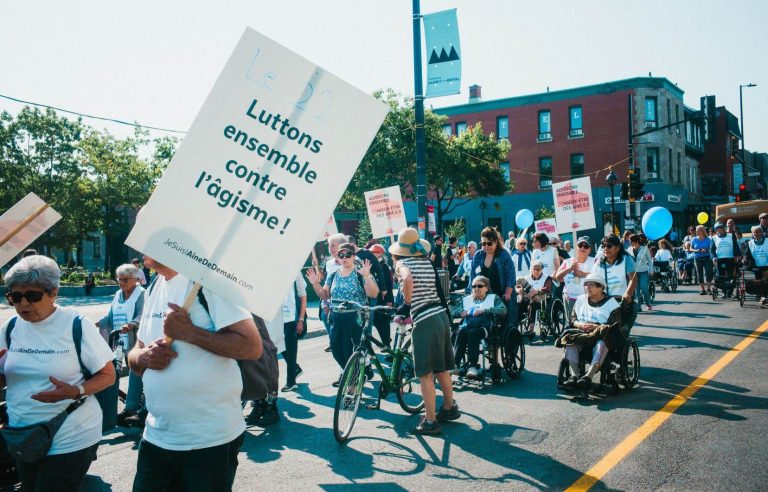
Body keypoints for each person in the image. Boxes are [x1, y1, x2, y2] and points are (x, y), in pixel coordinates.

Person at [127, 255, 262, 491]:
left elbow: (252, 346)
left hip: (208, 441)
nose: (136, 240)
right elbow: (136, 352)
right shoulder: (153, 287)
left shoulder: (209, 282)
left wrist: (190, 333)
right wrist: (143, 357)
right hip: (157, 436)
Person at [1, 255, 116, 491]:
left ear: (53, 292)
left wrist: (75, 391)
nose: (23, 304)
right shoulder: (10, 328)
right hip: (23, 433)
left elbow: (108, 375)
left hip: (71, 433)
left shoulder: (75, 325)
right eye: (15, 296)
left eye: (32, 296)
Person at [389, 227, 459, 435]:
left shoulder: (403, 263)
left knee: (425, 373)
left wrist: (408, 300)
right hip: (440, 315)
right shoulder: (427, 262)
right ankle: (449, 407)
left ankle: (430, 421)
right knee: (442, 368)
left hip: (425, 319)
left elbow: (408, 279)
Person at [306, 243, 379, 386]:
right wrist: (315, 284)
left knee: (350, 351)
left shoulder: (360, 273)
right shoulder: (333, 275)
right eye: (341, 255)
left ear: (353, 256)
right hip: (336, 318)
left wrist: (367, 276)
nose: (344, 258)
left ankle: (352, 384)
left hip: (355, 318)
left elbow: (373, 293)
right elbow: (325, 295)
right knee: (336, 350)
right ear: (338, 258)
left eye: (348, 255)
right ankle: (357, 374)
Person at [96, 263, 146, 427]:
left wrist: (131, 324)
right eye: (119, 279)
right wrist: (100, 322)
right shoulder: (118, 294)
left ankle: (132, 408)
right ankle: (134, 406)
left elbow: (143, 315)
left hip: (136, 338)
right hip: (119, 339)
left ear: (135, 280)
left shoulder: (141, 294)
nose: (121, 283)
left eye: (125, 279)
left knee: (135, 372)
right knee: (132, 372)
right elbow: (111, 314)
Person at [558, 273, 622, 390]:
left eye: (591, 285)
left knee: (601, 343)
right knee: (570, 340)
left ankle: (588, 376)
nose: (587, 287)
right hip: (582, 334)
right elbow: (573, 319)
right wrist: (581, 325)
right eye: (586, 285)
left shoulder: (612, 304)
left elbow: (614, 325)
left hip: (602, 336)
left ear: (601, 287)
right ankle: (574, 376)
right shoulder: (581, 300)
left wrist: (595, 327)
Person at [451, 275, 506, 379]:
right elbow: (452, 309)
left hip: (485, 327)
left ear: (487, 288)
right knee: (462, 331)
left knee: (473, 333)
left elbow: (503, 310)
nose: (476, 288)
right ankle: (455, 363)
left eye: (479, 286)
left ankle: (473, 366)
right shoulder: (466, 299)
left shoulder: (493, 298)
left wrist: (486, 310)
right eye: (473, 286)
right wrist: (460, 312)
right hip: (467, 326)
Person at [471, 227, 517, 329]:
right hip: (484, 295)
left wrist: (508, 292)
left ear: (496, 241)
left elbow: (511, 275)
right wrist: (472, 292)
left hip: (502, 293)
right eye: (483, 244)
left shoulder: (504, 255)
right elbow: (473, 276)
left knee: (506, 324)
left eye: (489, 243)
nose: (486, 246)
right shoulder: (478, 255)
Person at [591, 234, 637, 330]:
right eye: (603, 246)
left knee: (621, 332)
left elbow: (633, 279)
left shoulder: (627, 259)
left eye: (609, 246)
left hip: (622, 303)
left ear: (618, 247)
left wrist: (628, 294)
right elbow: (592, 280)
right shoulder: (599, 263)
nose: (605, 249)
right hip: (604, 302)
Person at [279, 273, 307, 393]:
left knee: (290, 350)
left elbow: (303, 297)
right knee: (278, 345)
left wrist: (301, 319)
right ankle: (295, 368)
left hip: (291, 317)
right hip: (275, 318)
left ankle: (291, 381)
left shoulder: (296, 272)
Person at [555, 236, 595, 316]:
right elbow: (558, 277)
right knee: (571, 324)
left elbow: (599, 277)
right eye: (580, 246)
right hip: (570, 298)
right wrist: (569, 269)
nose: (583, 248)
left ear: (590, 250)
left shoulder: (594, 261)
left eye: (586, 246)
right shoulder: (567, 262)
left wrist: (583, 274)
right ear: (576, 248)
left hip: (588, 299)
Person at [516, 261, 553, 336]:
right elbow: (517, 285)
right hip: (528, 298)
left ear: (542, 269)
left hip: (541, 299)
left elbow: (547, 288)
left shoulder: (547, 277)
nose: (536, 271)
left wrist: (536, 291)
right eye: (534, 269)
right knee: (518, 304)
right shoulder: (526, 278)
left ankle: (531, 329)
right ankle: (514, 325)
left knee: (532, 304)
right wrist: (519, 290)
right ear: (531, 269)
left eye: (538, 269)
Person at [369, 243, 395, 348]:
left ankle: (387, 345)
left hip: (384, 299)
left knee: (383, 322)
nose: (370, 254)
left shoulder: (384, 266)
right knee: (376, 321)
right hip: (375, 298)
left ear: (380, 254)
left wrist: (389, 300)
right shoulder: (372, 265)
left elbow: (389, 284)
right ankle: (386, 339)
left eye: (373, 252)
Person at [711, 222, 741, 297]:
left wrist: (738, 255)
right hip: (719, 259)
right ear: (716, 230)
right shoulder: (714, 238)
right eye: (719, 228)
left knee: (731, 276)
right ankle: (724, 292)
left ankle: (730, 292)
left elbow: (736, 246)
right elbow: (712, 250)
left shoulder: (731, 235)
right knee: (721, 276)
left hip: (730, 258)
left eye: (722, 227)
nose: (721, 229)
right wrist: (714, 257)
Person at [627, 234, 653, 311]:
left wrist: (651, 270)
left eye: (630, 241)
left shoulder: (645, 248)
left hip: (643, 271)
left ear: (636, 241)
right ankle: (638, 307)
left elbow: (650, 260)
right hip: (633, 272)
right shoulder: (629, 249)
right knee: (636, 290)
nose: (629, 243)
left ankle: (648, 302)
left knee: (644, 287)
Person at [691, 225, 714, 295]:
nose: (697, 232)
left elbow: (711, 249)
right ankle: (702, 289)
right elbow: (690, 249)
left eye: (698, 230)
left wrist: (706, 250)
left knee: (708, 273)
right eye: (697, 230)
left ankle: (708, 289)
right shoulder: (694, 239)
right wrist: (696, 250)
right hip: (698, 259)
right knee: (699, 274)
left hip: (707, 258)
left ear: (703, 231)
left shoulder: (708, 239)